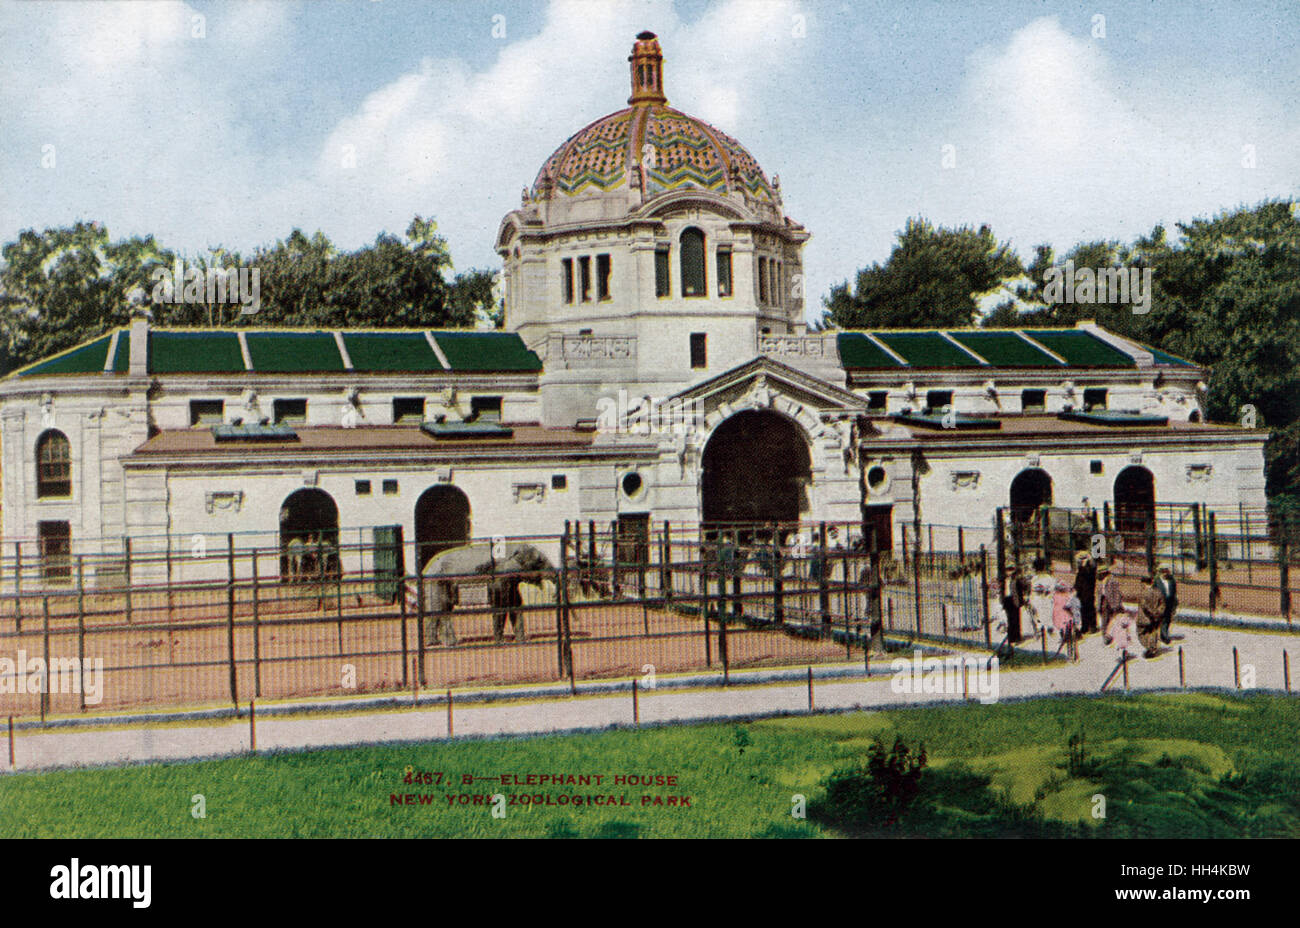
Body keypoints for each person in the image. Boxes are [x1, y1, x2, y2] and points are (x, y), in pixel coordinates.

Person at [1137, 573, 1166, 658]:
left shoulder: (1143, 594)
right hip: (1156, 618)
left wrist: (1152, 613)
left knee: (1141, 633)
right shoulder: (1158, 592)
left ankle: (1149, 647)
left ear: (1143, 583)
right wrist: (1158, 613)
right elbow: (1162, 605)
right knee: (1153, 632)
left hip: (1145, 618)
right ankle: (1153, 648)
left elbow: (1144, 606)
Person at [1027, 556, 1054, 637]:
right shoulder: (1048, 578)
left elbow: (1032, 590)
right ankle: (1047, 628)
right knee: (1045, 613)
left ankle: (1042, 629)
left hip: (1039, 598)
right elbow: (1052, 588)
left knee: (1040, 614)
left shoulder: (1034, 578)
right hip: (1044, 598)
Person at [1097, 563, 1123, 644]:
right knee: (1104, 619)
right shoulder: (1101, 582)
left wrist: (1116, 605)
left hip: (1112, 602)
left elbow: (1117, 594)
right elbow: (1099, 593)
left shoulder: (1113, 581)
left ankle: (1112, 635)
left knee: (1113, 621)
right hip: (1104, 601)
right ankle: (1105, 636)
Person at [1001, 565, 1026, 644]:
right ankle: (1011, 638)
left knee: (1016, 619)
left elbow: (1020, 592)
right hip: (1007, 600)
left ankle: (1017, 637)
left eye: (1011, 570)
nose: (1009, 572)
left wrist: (1020, 601)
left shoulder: (1016, 580)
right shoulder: (1004, 580)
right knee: (1009, 619)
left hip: (1014, 600)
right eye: (1008, 570)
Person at [1074, 551, 1098, 635]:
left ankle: (1092, 626)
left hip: (1088, 592)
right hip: (1082, 592)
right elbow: (1078, 581)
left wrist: (1084, 565)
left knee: (1089, 609)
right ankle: (1085, 626)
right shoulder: (1081, 569)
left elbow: (1088, 577)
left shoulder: (1090, 569)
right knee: (1083, 610)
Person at [1156, 565, 1178, 644]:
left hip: (1169, 602)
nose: (1165, 574)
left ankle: (1164, 634)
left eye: (1166, 571)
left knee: (1167, 619)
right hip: (1160, 603)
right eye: (1163, 572)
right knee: (1161, 619)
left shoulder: (1172, 581)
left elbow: (1174, 593)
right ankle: (1163, 636)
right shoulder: (1157, 582)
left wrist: (1175, 604)